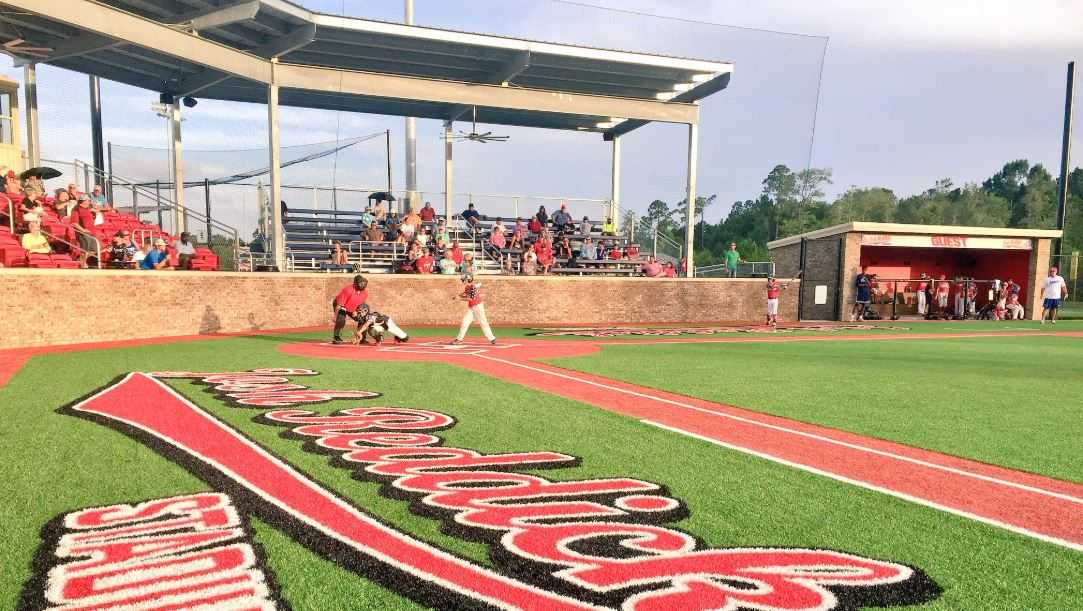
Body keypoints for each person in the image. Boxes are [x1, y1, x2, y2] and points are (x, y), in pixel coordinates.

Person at [451, 272, 496, 345]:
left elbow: (470, 299)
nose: (463, 281)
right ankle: (459, 339)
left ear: (468, 279)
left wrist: (459, 298)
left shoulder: (473, 287)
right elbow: (465, 293)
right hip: (472, 308)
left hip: (478, 306)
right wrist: (458, 295)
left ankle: (492, 338)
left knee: (483, 322)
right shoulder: (468, 287)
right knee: (465, 322)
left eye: (464, 279)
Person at [331, 275, 368, 344]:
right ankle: (336, 337)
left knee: (364, 318)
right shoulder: (348, 290)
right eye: (361, 283)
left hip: (352, 307)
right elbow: (339, 305)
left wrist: (357, 311)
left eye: (364, 283)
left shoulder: (365, 293)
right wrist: (335, 317)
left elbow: (361, 305)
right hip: (342, 306)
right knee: (341, 319)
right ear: (355, 283)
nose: (363, 285)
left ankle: (361, 337)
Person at [70, 195, 100, 268]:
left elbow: (92, 219)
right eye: (88, 200)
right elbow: (74, 223)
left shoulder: (88, 209)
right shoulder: (76, 209)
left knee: (94, 250)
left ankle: (80, 260)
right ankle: (83, 265)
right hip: (83, 233)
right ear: (83, 201)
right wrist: (83, 230)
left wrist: (94, 213)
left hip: (92, 232)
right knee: (85, 250)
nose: (89, 202)